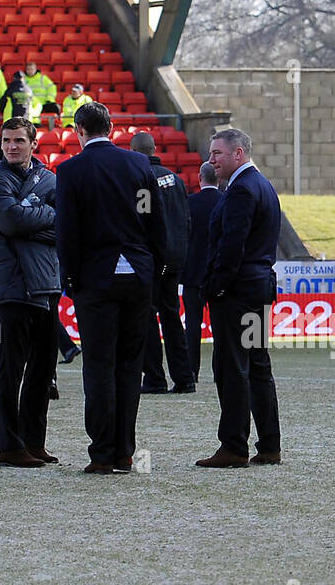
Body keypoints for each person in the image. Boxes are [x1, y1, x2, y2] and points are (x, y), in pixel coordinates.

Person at [54, 102, 166, 475]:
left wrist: (68, 276)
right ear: (111, 127)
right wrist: (156, 266)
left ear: (78, 129)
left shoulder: (70, 170)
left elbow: (67, 231)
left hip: (95, 277)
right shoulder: (138, 164)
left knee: (99, 366)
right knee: (130, 365)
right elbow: (155, 220)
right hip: (137, 274)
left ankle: (101, 453)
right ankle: (125, 452)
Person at [196, 128, 283, 468]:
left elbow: (231, 245)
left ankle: (233, 447)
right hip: (257, 288)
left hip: (238, 292)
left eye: (217, 153)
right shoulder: (261, 185)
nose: (211, 159)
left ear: (238, 154)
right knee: (258, 366)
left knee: (232, 367)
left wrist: (216, 286)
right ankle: (269, 445)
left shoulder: (241, 190)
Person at [0, 117, 61, 468]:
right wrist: (41, 216)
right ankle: (9, 447)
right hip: (10, 285)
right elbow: (10, 222)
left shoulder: (50, 178)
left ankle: (33, 441)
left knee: (43, 369)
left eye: (18, 140)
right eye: (6, 140)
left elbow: (65, 225)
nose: (11, 146)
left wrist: (30, 215)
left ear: (33, 144)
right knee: (10, 369)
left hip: (47, 282)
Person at [131, 131, 194, 394]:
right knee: (171, 316)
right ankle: (184, 377)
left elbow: (141, 222)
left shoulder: (139, 180)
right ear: (155, 149)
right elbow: (186, 220)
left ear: (133, 151)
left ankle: (155, 377)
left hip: (152, 258)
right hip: (176, 256)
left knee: (146, 316)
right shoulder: (176, 180)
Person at [183, 162, 221, 382]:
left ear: (199, 178)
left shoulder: (189, 203)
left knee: (192, 326)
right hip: (217, 274)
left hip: (193, 273)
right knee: (220, 327)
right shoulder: (225, 201)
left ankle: (191, 372)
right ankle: (220, 371)